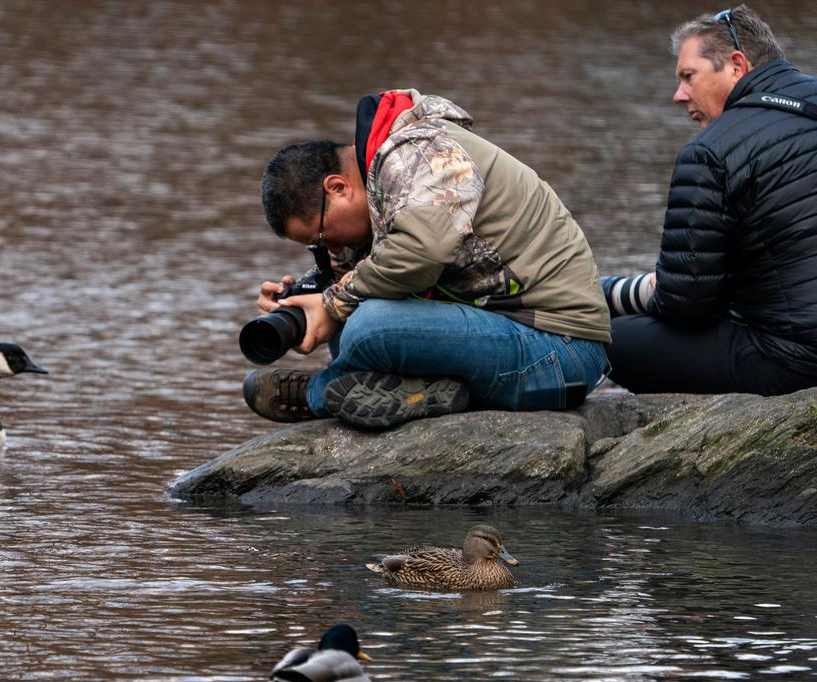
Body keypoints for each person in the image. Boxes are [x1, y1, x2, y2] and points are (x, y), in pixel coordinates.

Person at [244, 89, 611, 429]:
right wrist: (300, 302)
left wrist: (334, 302)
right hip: (519, 340)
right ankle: (428, 394)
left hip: (562, 351)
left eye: (322, 237)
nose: (332, 250)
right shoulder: (386, 176)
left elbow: (423, 251)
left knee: (369, 326)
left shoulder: (418, 152)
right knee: (349, 333)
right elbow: (385, 263)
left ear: (337, 187)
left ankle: (316, 395)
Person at [600, 5, 817, 395]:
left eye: (688, 77)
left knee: (607, 337)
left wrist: (611, 293)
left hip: (793, 361)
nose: (678, 95)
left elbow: (687, 306)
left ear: (736, 65)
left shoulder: (709, 151)